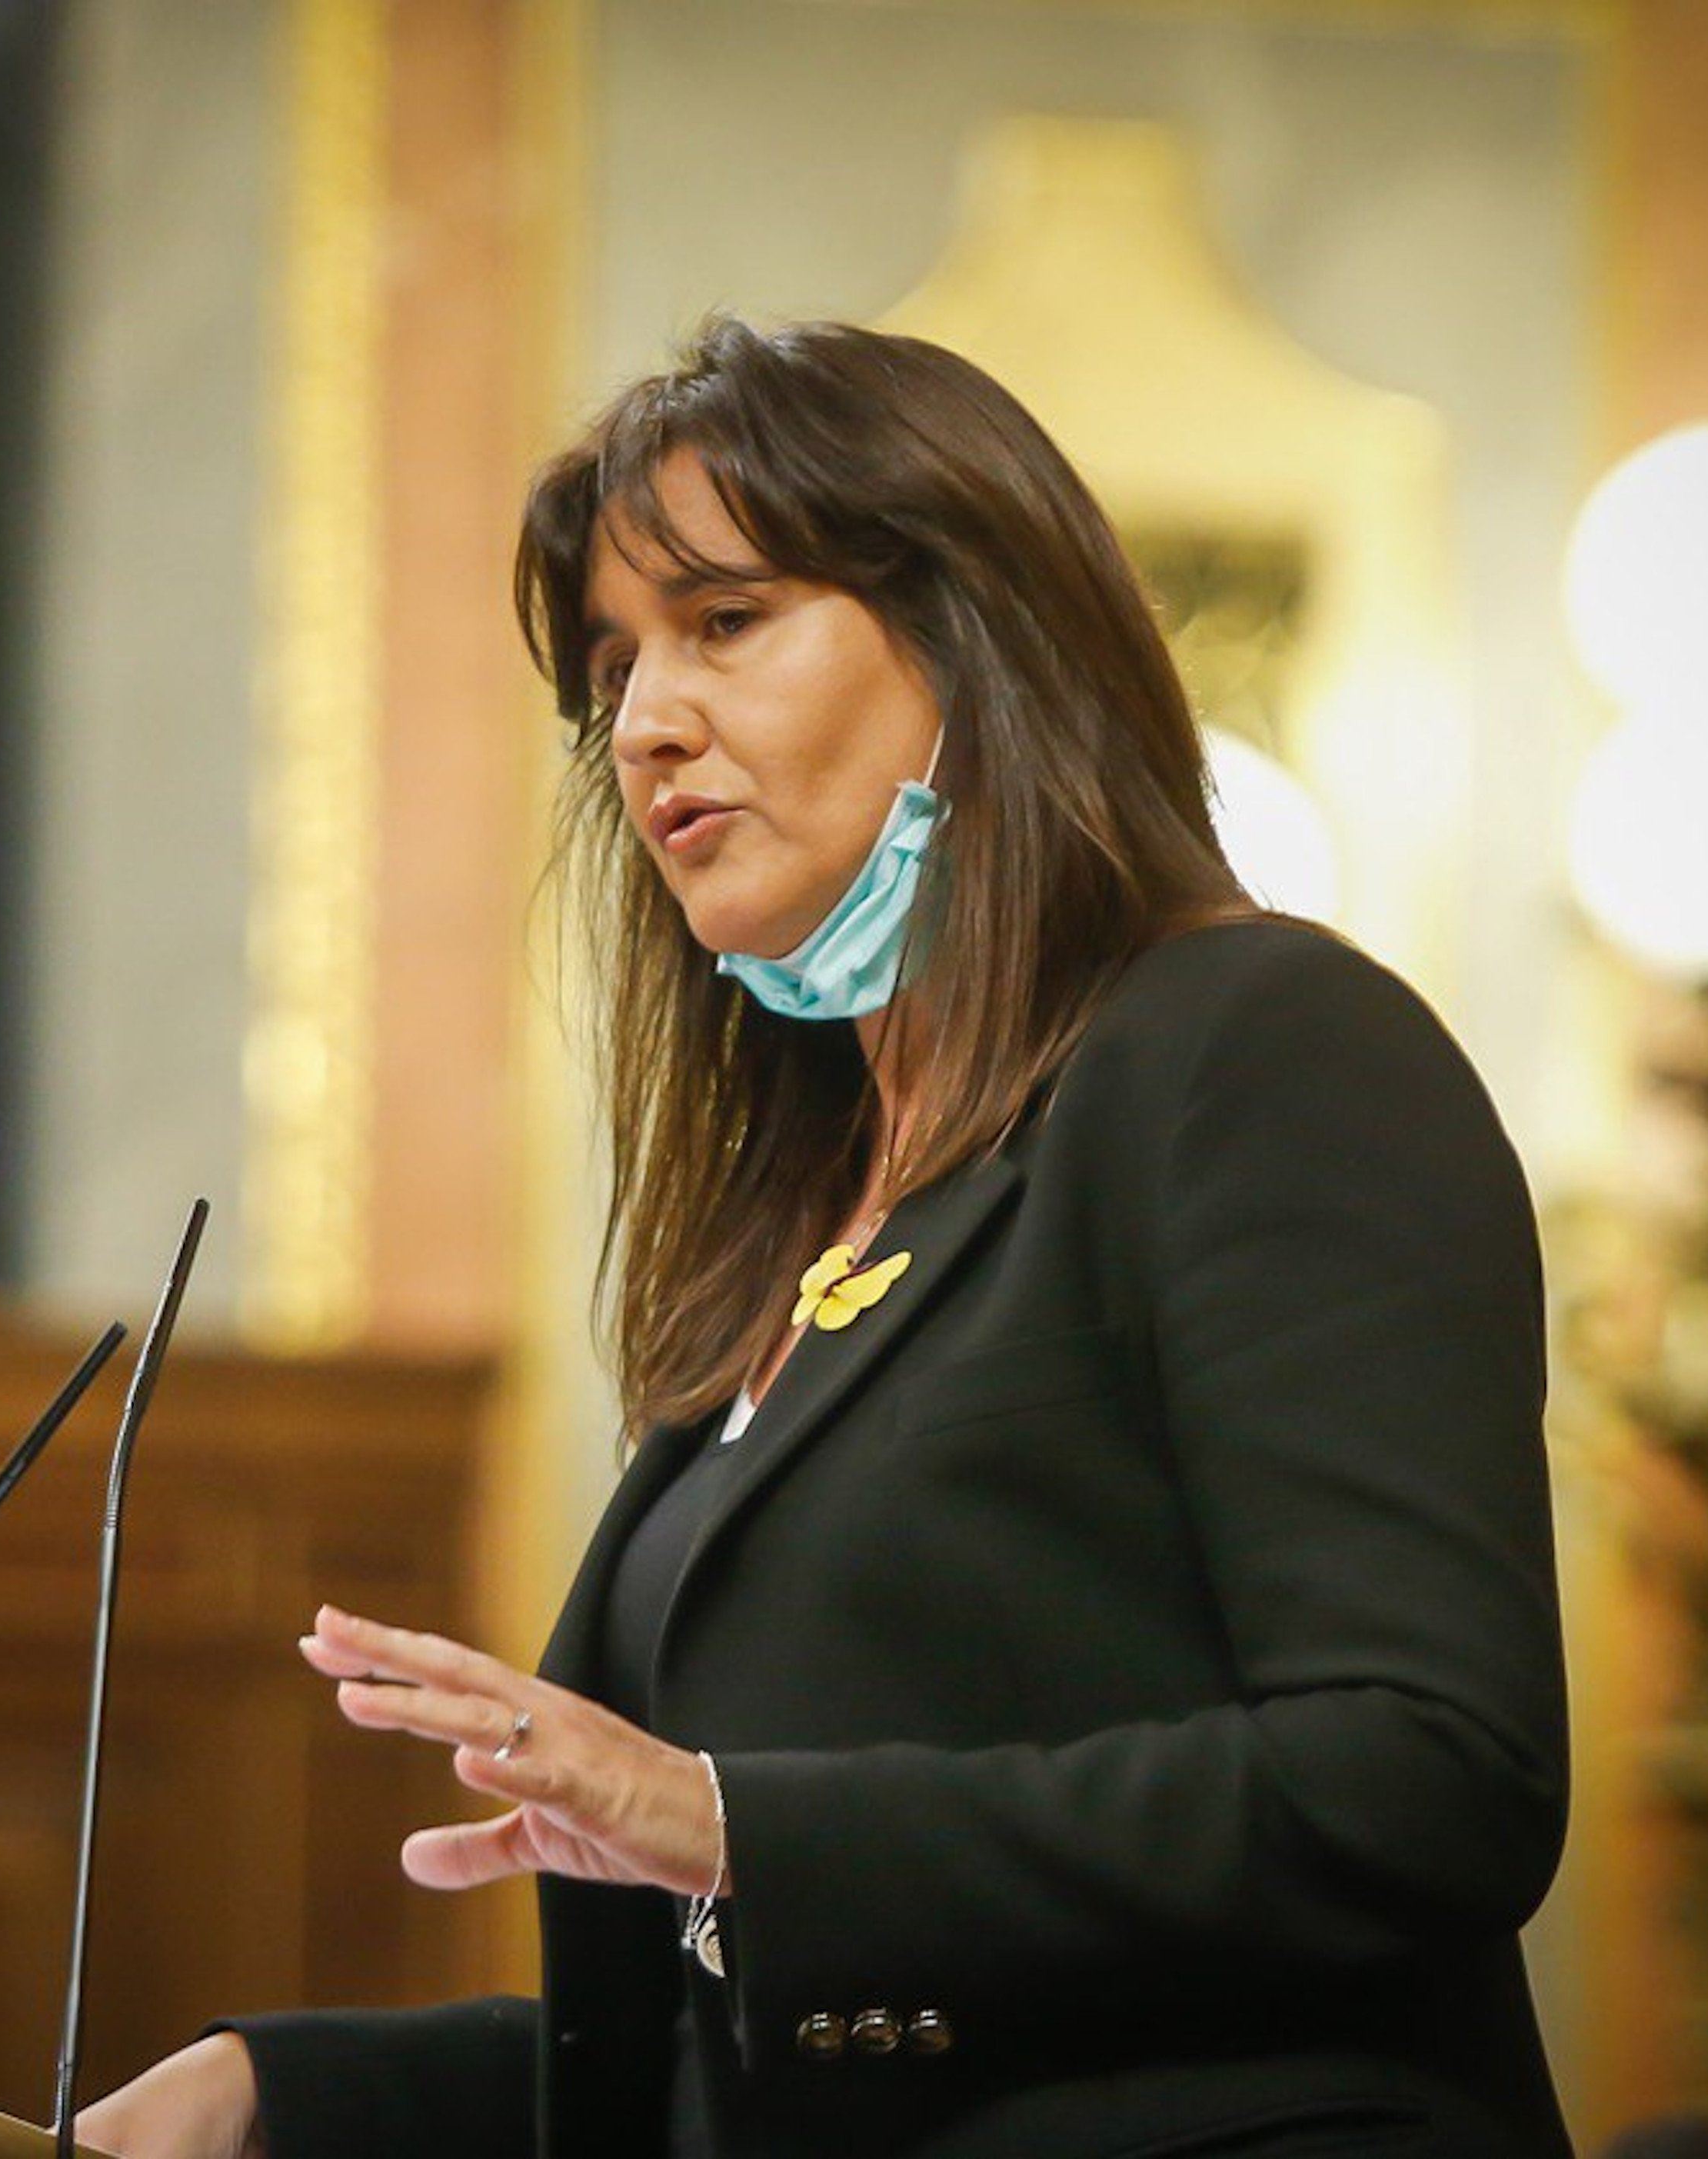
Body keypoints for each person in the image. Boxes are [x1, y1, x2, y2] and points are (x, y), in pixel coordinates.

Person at [78, 317, 1573, 2157]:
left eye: (726, 621)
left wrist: (735, 1824)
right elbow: (776, 2052)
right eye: (613, 665)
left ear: (981, 638)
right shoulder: (814, 1224)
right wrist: (285, 2096)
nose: (643, 725)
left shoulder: (1252, 1048)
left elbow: (1433, 1782)